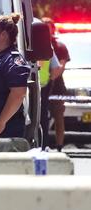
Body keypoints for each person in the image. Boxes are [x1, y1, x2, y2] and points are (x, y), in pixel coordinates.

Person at [43, 17, 70, 151]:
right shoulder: (39, 44)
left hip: (56, 88)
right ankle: (44, 143)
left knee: (58, 117)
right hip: (42, 87)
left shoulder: (60, 47)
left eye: (49, 28)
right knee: (43, 118)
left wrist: (50, 78)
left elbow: (60, 68)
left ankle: (59, 146)